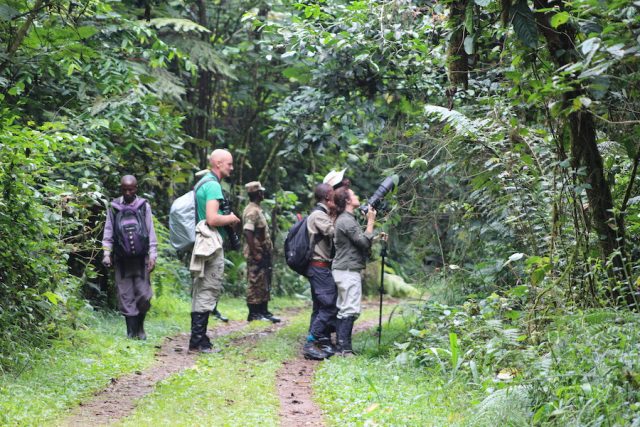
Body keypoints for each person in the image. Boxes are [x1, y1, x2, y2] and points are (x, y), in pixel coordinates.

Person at [189, 149, 241, 353]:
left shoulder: (204, 183)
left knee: (202, 287)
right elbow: (212, 218)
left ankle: (200, 338)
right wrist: (231, 218)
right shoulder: (212, 186)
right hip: (210, 242)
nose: (231, 167)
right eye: (229, 163)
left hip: (204, 242)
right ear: (218, 163)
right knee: (208, 287)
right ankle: (197, 340)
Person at [102, 175, 157, 340]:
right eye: (124, 189)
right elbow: (108, 231)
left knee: (144, 295)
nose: (127, 192)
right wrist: (106, 253)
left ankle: (140, 328)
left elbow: (150, 230)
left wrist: (153, 255)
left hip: (141, 259)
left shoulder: (143, 206)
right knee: (125, 295)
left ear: (136, 188)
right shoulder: (113, 207)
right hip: (121, 260)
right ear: (121, 189)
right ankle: (131, 332)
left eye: (131, 189)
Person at [332, 186, 377, 355]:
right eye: (353, 195)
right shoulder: (346, 220)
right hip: (348, 270)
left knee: (344, 307)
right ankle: (345, 349)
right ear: (347, 201)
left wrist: (374, 235)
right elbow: (364, 243)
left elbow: (358, 241)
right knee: (350, 308)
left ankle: (341, 347)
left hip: (344, 269)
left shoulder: (347, 219)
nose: (357, 196)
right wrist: (371, 222)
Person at [303, 183, 339, 360]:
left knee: (319, 307)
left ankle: (315, 342)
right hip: (319, 267)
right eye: (334, 195)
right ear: (328, 197)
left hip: (320, 267)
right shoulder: (318, 215)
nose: (336, 198)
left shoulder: (321, 214)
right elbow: (334, 233)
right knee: (329, 305)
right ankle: (310, 343)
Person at [242, 181, 280, 323]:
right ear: (258, 194)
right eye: (261, 192)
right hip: (256, 253)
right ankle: (254, 313)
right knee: (255, 281)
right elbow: (248, 231)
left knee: (263, 281)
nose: (263, 194)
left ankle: (264, 311)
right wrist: (255, 252)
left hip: (263, 252)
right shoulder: (252, 211)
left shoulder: (257, 209)